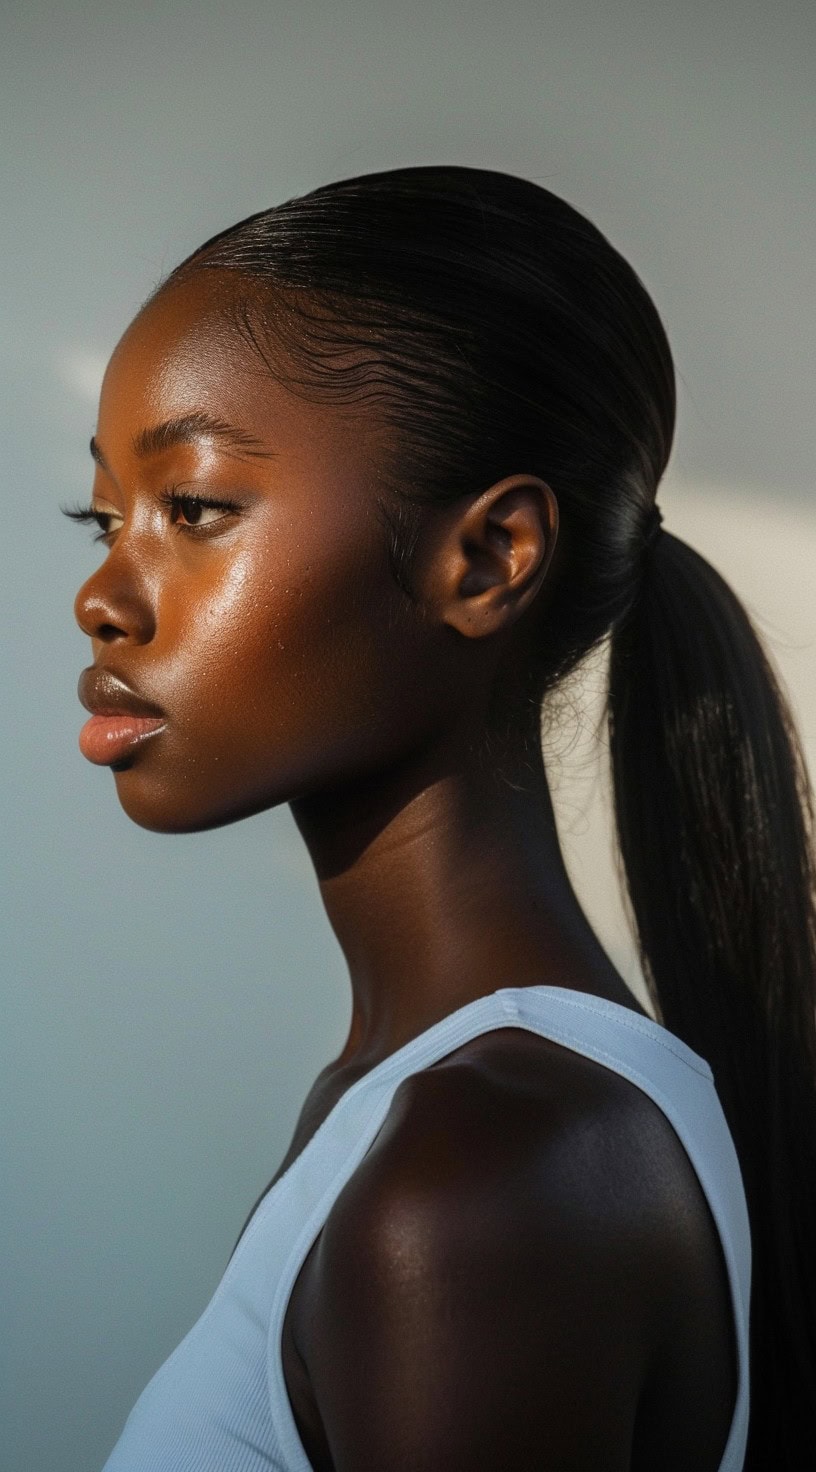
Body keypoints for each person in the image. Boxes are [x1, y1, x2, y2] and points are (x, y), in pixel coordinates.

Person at [67, 165, 815, 1471]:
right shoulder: (442, 1113)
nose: (102, 596)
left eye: (191, 508)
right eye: (101, 515)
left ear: (485, 558)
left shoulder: (482, 1175)